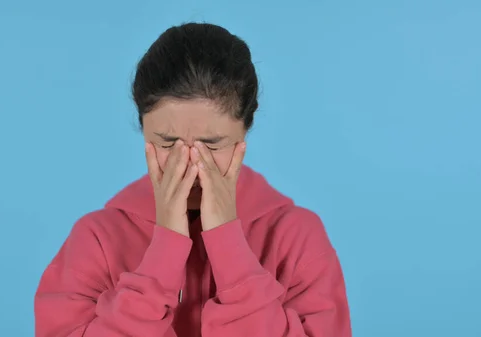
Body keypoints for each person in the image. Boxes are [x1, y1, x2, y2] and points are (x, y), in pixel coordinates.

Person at [34, 22, 352, 337]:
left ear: (245, 130)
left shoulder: (297, 237)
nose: (189, 164)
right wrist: (163, 253)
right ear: (142, 129)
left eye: (212, 144)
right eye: (166, 142)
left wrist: (229, 245)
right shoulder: (96, 240)